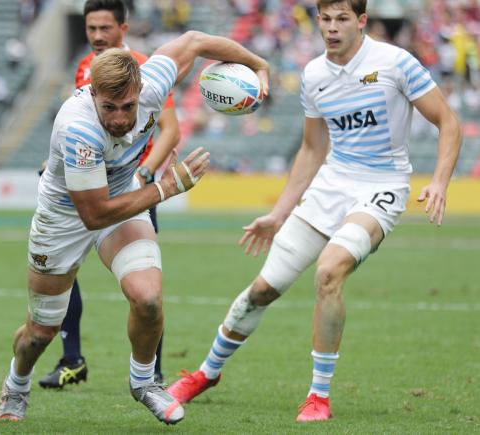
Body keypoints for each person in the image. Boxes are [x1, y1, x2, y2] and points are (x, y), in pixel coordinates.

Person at [166, 0, 462, 422]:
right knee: (263, 289)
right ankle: (206, 373)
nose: (332, 28)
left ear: (360, 21)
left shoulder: (395, 63)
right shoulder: (314, 75)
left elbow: (448, 121)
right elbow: (311, 149)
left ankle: (318, 397)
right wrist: (279, 213)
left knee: (329, 271)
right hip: (330, 186)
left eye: (342, 19)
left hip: (382, 187)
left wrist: (439, 180)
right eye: (325, 19)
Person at [0, 32, 269, 424]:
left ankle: (144, 384)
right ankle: (16, 383)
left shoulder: (153, 83)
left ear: (141, 89)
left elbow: (193, 41)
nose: (121, 118)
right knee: (40, 332)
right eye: (110, 107)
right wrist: (165, 188)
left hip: (121, 200)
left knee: (148, 299)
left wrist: (258, 63)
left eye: (128, 106)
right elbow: (95, 214)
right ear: (93, 96)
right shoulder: (79, 129)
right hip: (65, 219)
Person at [38, 0, 181, 390]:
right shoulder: (88, 69)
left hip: (130, 188)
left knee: (145, 284)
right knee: (66, 273)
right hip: (90, 187)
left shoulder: (139, 68)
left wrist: (148, 174)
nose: (98, 36)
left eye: (105, 28)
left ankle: (153, 371)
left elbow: (171, 129)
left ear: (123, 27)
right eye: (91, 28)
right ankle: (72, 360)